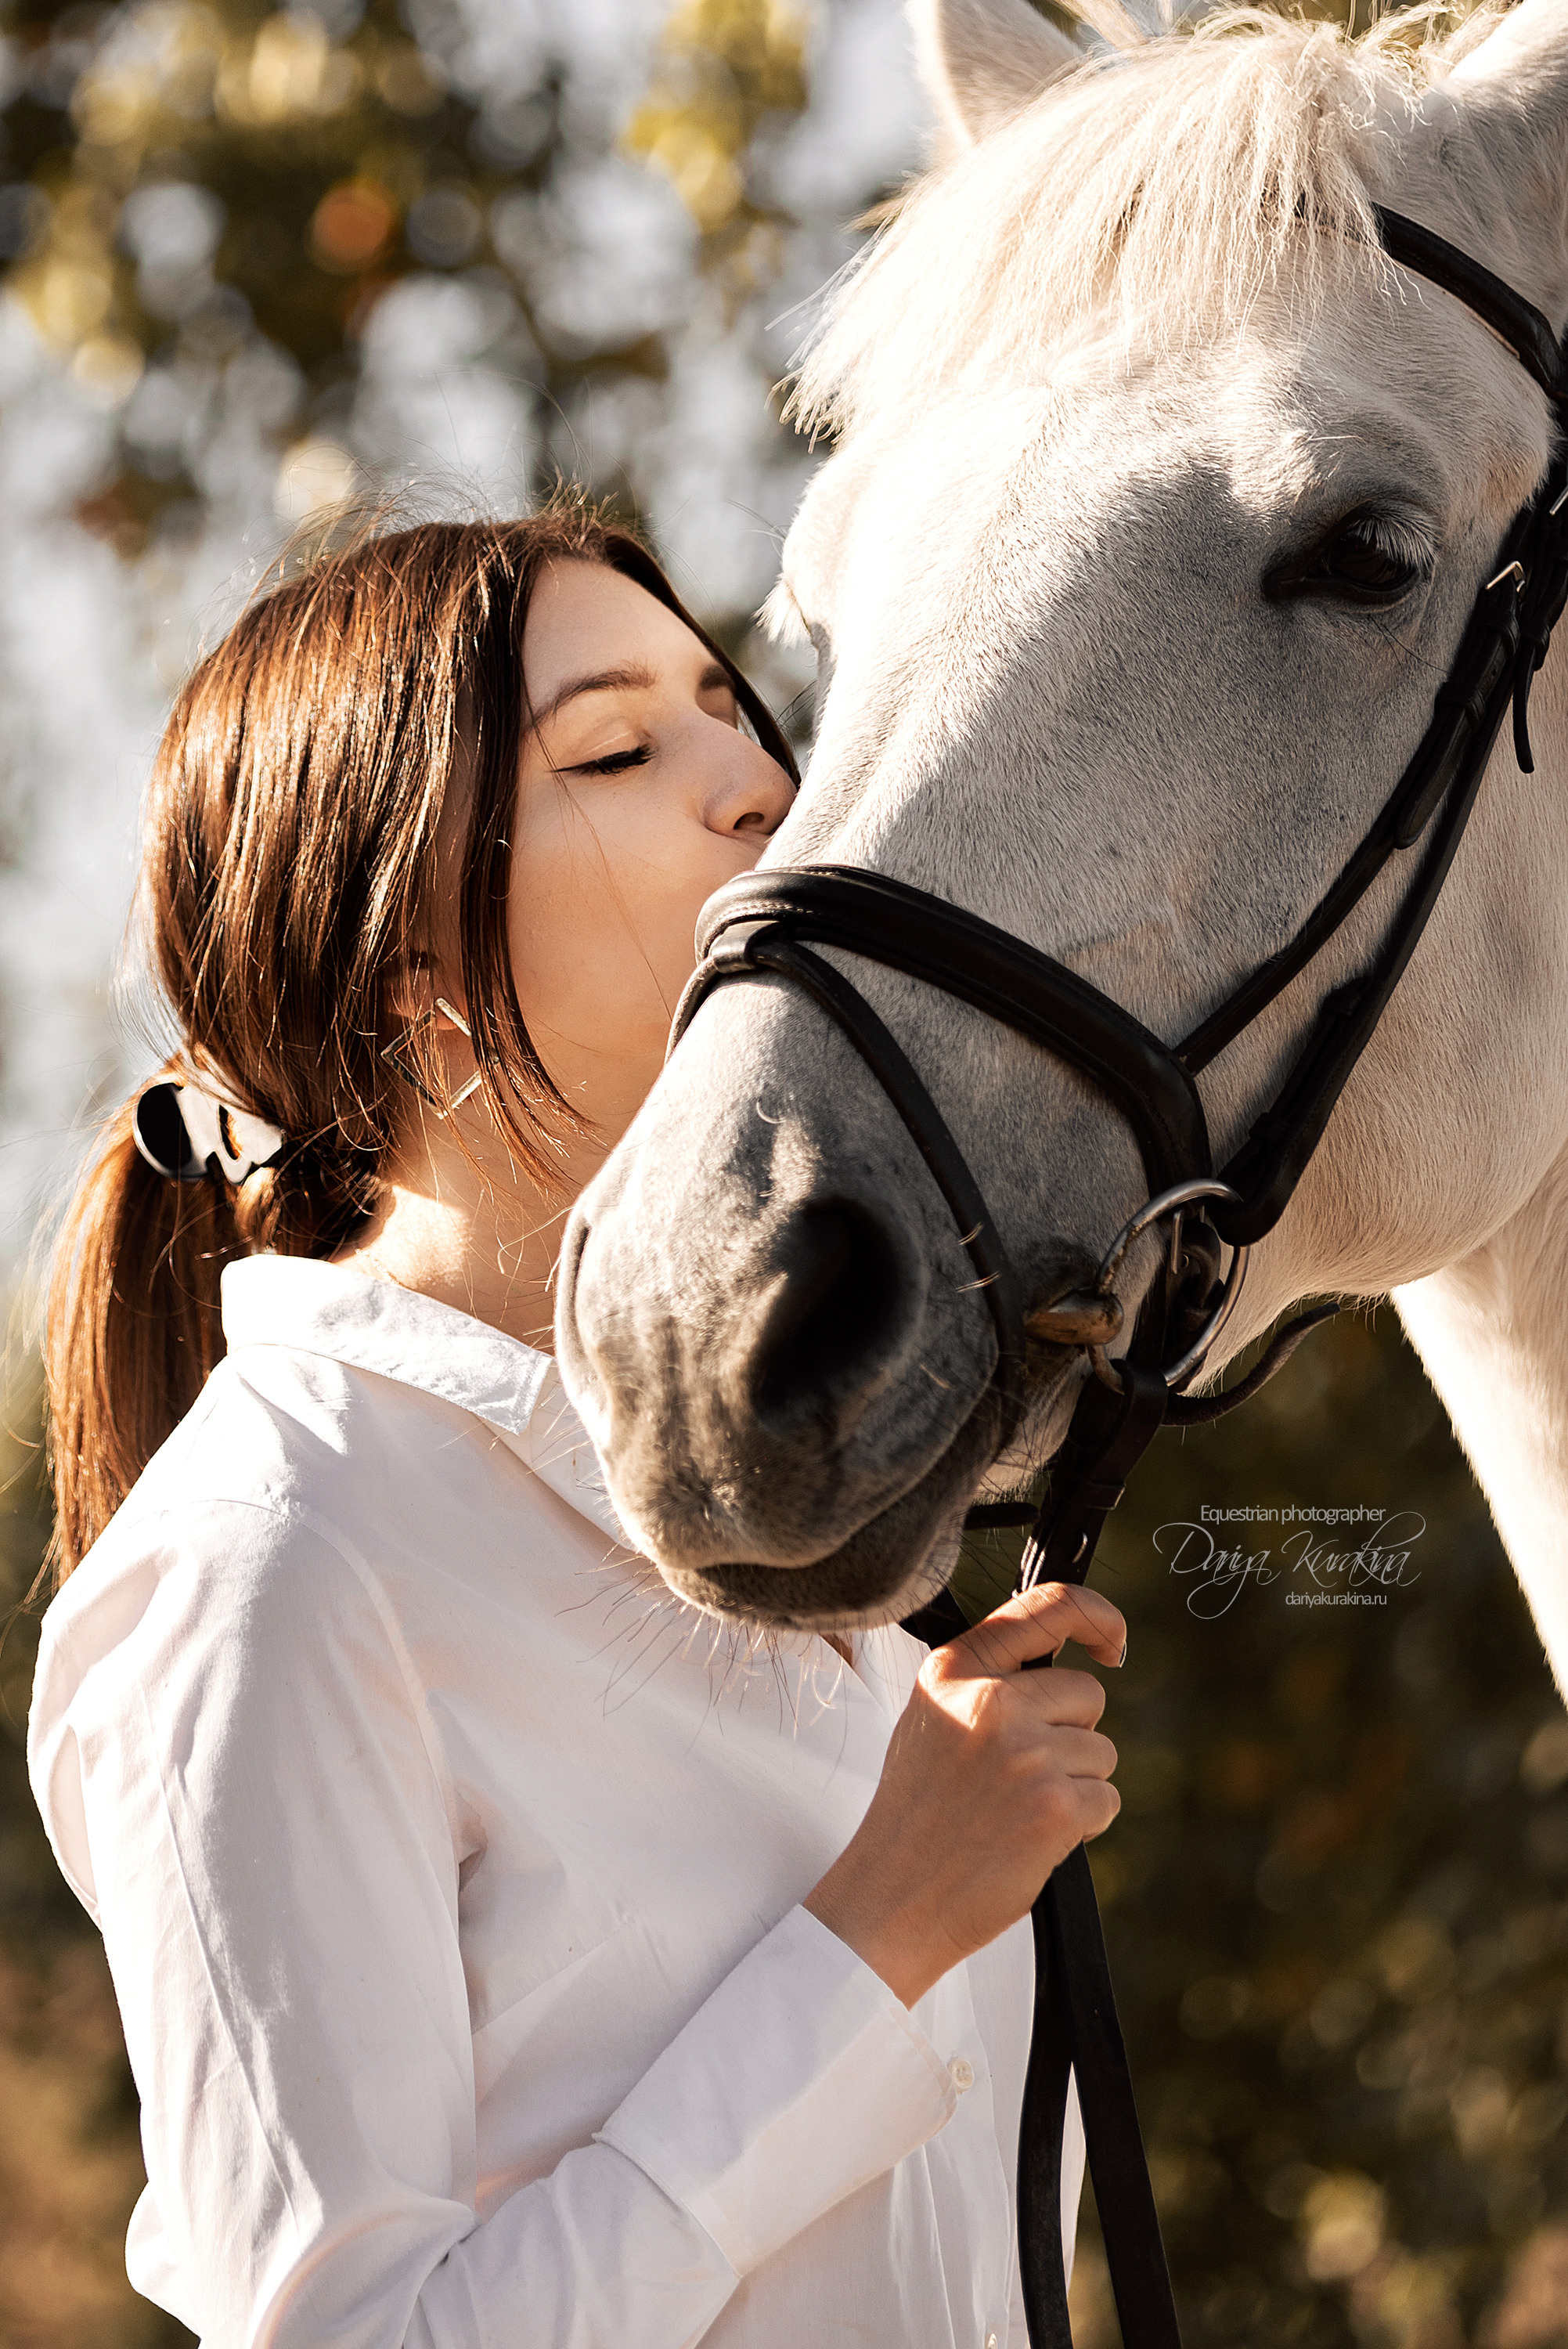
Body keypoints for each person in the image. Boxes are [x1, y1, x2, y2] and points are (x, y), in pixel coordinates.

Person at [29, 503, 1125, 2348]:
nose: (766, 785)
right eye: (616, 751)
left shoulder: (807, 1522)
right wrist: (875, 1938)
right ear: (413, 969)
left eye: (734, 711)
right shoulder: (275, 1557)